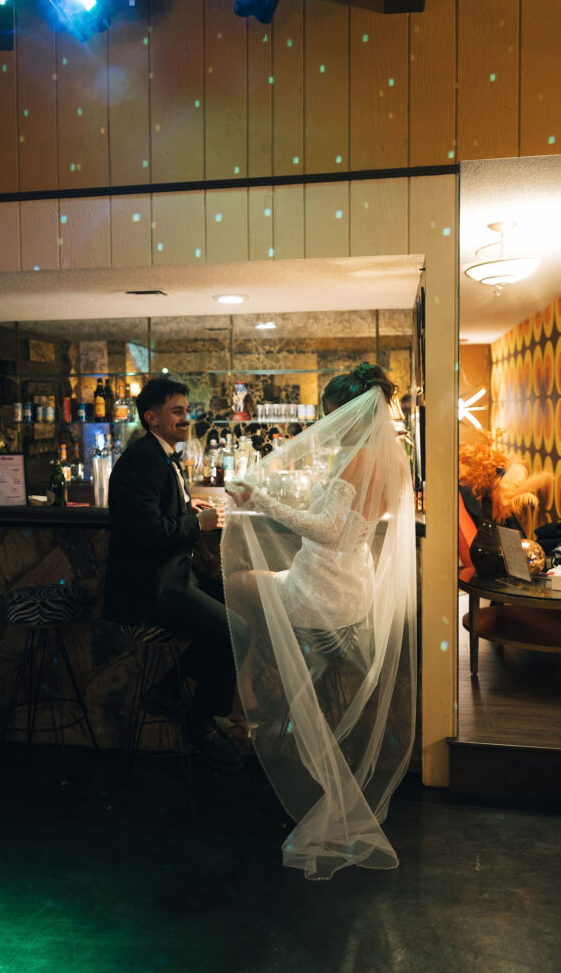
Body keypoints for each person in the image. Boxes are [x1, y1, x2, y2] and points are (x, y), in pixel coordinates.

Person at [221, 362, 417, 878]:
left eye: (334, 414)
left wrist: (260, 499)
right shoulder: (391, 460)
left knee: (235, 582)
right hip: (352, 592)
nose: (331, 424)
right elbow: (344, 526)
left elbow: (328, 531)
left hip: (319, 594)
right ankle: (281, 676)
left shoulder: (354, 461)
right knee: (260, 590)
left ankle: (250, 694)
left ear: (351, 413)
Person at [102, 377, 242, 770]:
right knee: (233, 630)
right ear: (152, 418)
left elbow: (157, 514)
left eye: (186, 410)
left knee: (237, 606)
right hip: (151, 588)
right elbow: (144, 532)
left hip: (173, 577)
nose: (186, 419)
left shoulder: (159, 454)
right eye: (177, 412)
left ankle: (166, 690)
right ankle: (201, 725)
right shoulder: (141, 461)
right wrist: (199, 524)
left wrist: (186, 507)